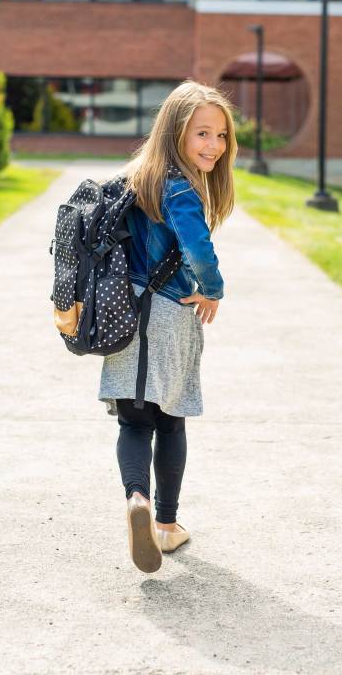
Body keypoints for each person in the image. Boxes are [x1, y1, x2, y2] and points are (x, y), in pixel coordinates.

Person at [98, 79, 238, 573]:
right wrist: (214, 288)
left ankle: (136, 499)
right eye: (202, 134)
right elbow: (198, 247)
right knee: (171, 417)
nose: (214, 147)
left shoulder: (135, 177)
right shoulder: (179, 187)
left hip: (123, 311)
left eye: (221, 136)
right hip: (168, 314)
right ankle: (166, 524)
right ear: (175, 132)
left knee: (134, 420)